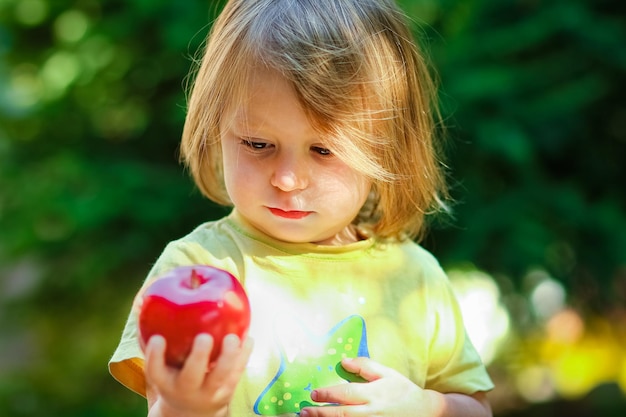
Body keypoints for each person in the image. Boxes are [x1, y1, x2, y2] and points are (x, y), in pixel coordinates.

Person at [109, 0, 494, 416]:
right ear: (214, 125)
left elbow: (475, 408)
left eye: (324, 150)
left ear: (387, 147)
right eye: (258, 144)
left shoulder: (415, 277)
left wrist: (425, 406)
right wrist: (186, 407)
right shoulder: (195, 269)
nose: (288, 179)